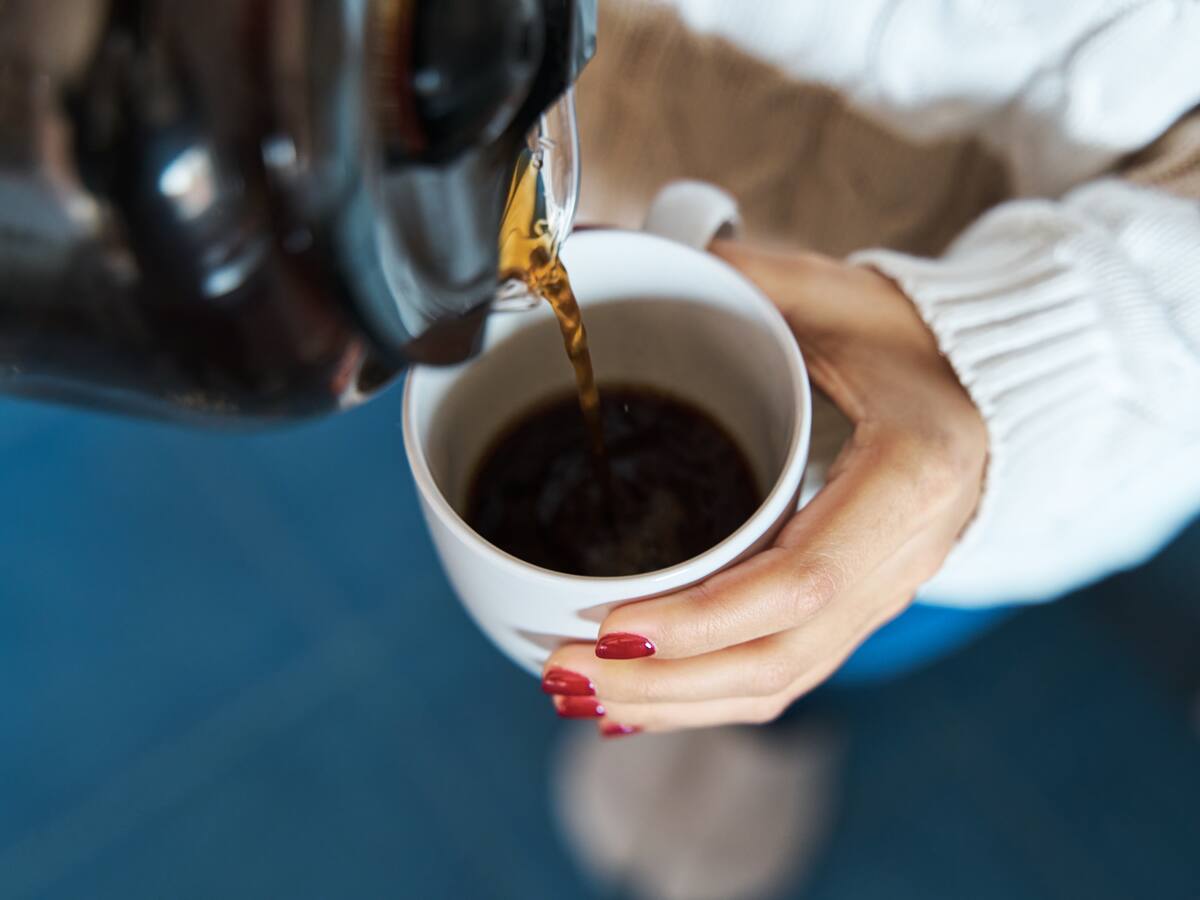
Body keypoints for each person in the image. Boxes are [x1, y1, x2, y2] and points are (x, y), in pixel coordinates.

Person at [538, 1, 1200, 896]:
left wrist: (1020, 363)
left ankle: (774, 721)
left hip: (1000, 409)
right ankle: (702, 696)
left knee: (862, 611)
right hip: (593, 168)